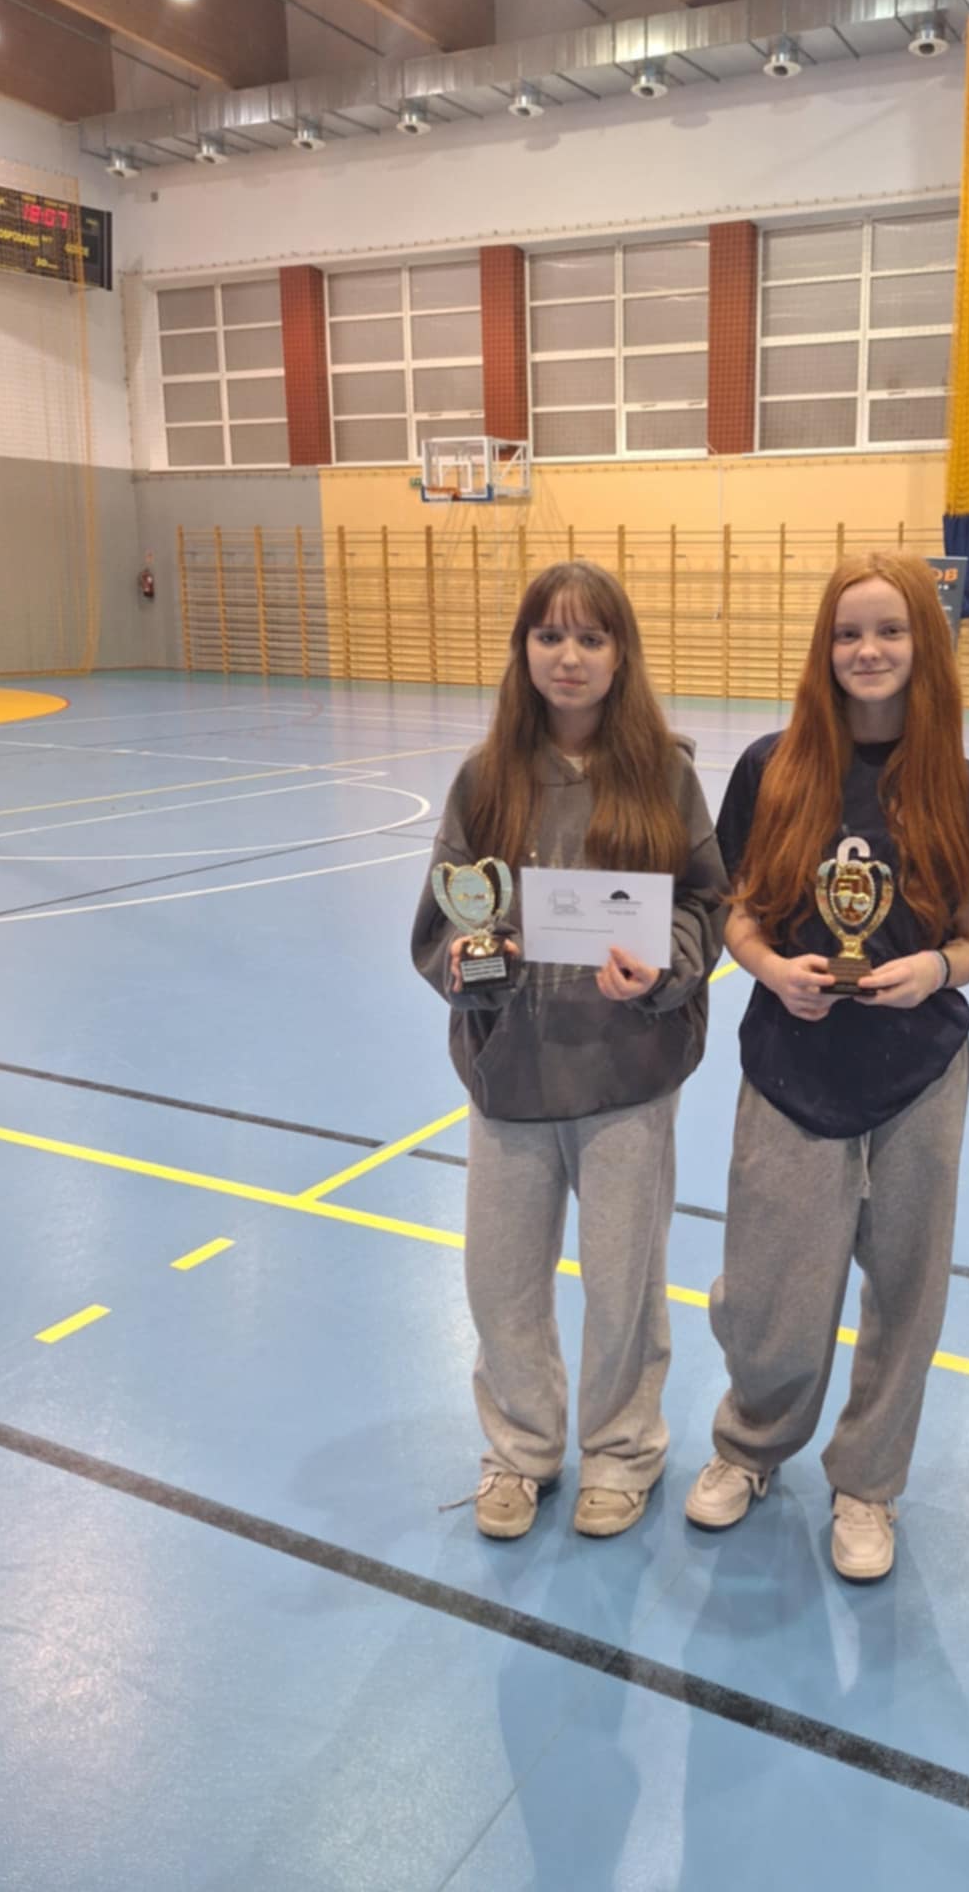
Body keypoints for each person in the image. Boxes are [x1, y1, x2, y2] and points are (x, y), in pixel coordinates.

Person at [686, 552, 969, 1582]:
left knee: (906, 1294)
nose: (868, 650)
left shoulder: (960, 784)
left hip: (919, 1075)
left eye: (890, 630)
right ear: (824, 649)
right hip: (791, 1066)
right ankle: (751, 1445)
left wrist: (936, 969)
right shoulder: (770, 768)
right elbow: (736, 913)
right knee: (770, 1298)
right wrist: (772, 969)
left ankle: (868, 1482)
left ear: (924, 645)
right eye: (848, 633)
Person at [412, 561, 726, 1542]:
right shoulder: (484, 779)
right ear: (524, 651)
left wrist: (667, 968)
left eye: (592, 637)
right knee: (500, 1280)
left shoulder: (664, 774)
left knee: (624, 1283)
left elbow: (705, 903)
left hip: (628, 1076)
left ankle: (624, 1451)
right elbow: (442, 920)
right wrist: (471, 963)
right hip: (511, 1075)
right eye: (549, 635)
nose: (570, 656)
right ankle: (521, 1451)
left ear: (621, 654)